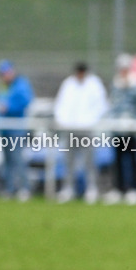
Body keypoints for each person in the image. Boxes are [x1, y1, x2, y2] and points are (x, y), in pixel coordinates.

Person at [54, 62, 109, 203]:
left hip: (87, 129)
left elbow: (101, 105)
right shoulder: (68, 84)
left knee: (89, 161)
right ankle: (68, 189)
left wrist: (91, 121)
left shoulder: (94, 84)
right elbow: (61, 104)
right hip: (70, 128)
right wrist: (63, 121)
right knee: (68, 161)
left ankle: (91, 189)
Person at [104, 54, 136, 205]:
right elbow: (112, 106)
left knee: (133, 160)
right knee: (117, 161)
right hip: (117, 130)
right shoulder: (115, 85)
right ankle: (118, 188)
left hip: (132, 130)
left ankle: (134, 189)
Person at [0, 60, 34, 201]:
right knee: (7, 161)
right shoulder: (2, 87)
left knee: (18, 160)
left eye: (6, 73)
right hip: (4, 128)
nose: (4, 76)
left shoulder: (21, 84)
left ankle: (25, 188)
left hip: (17, 128)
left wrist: (8, 108)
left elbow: (25, 101)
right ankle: (9, 188)